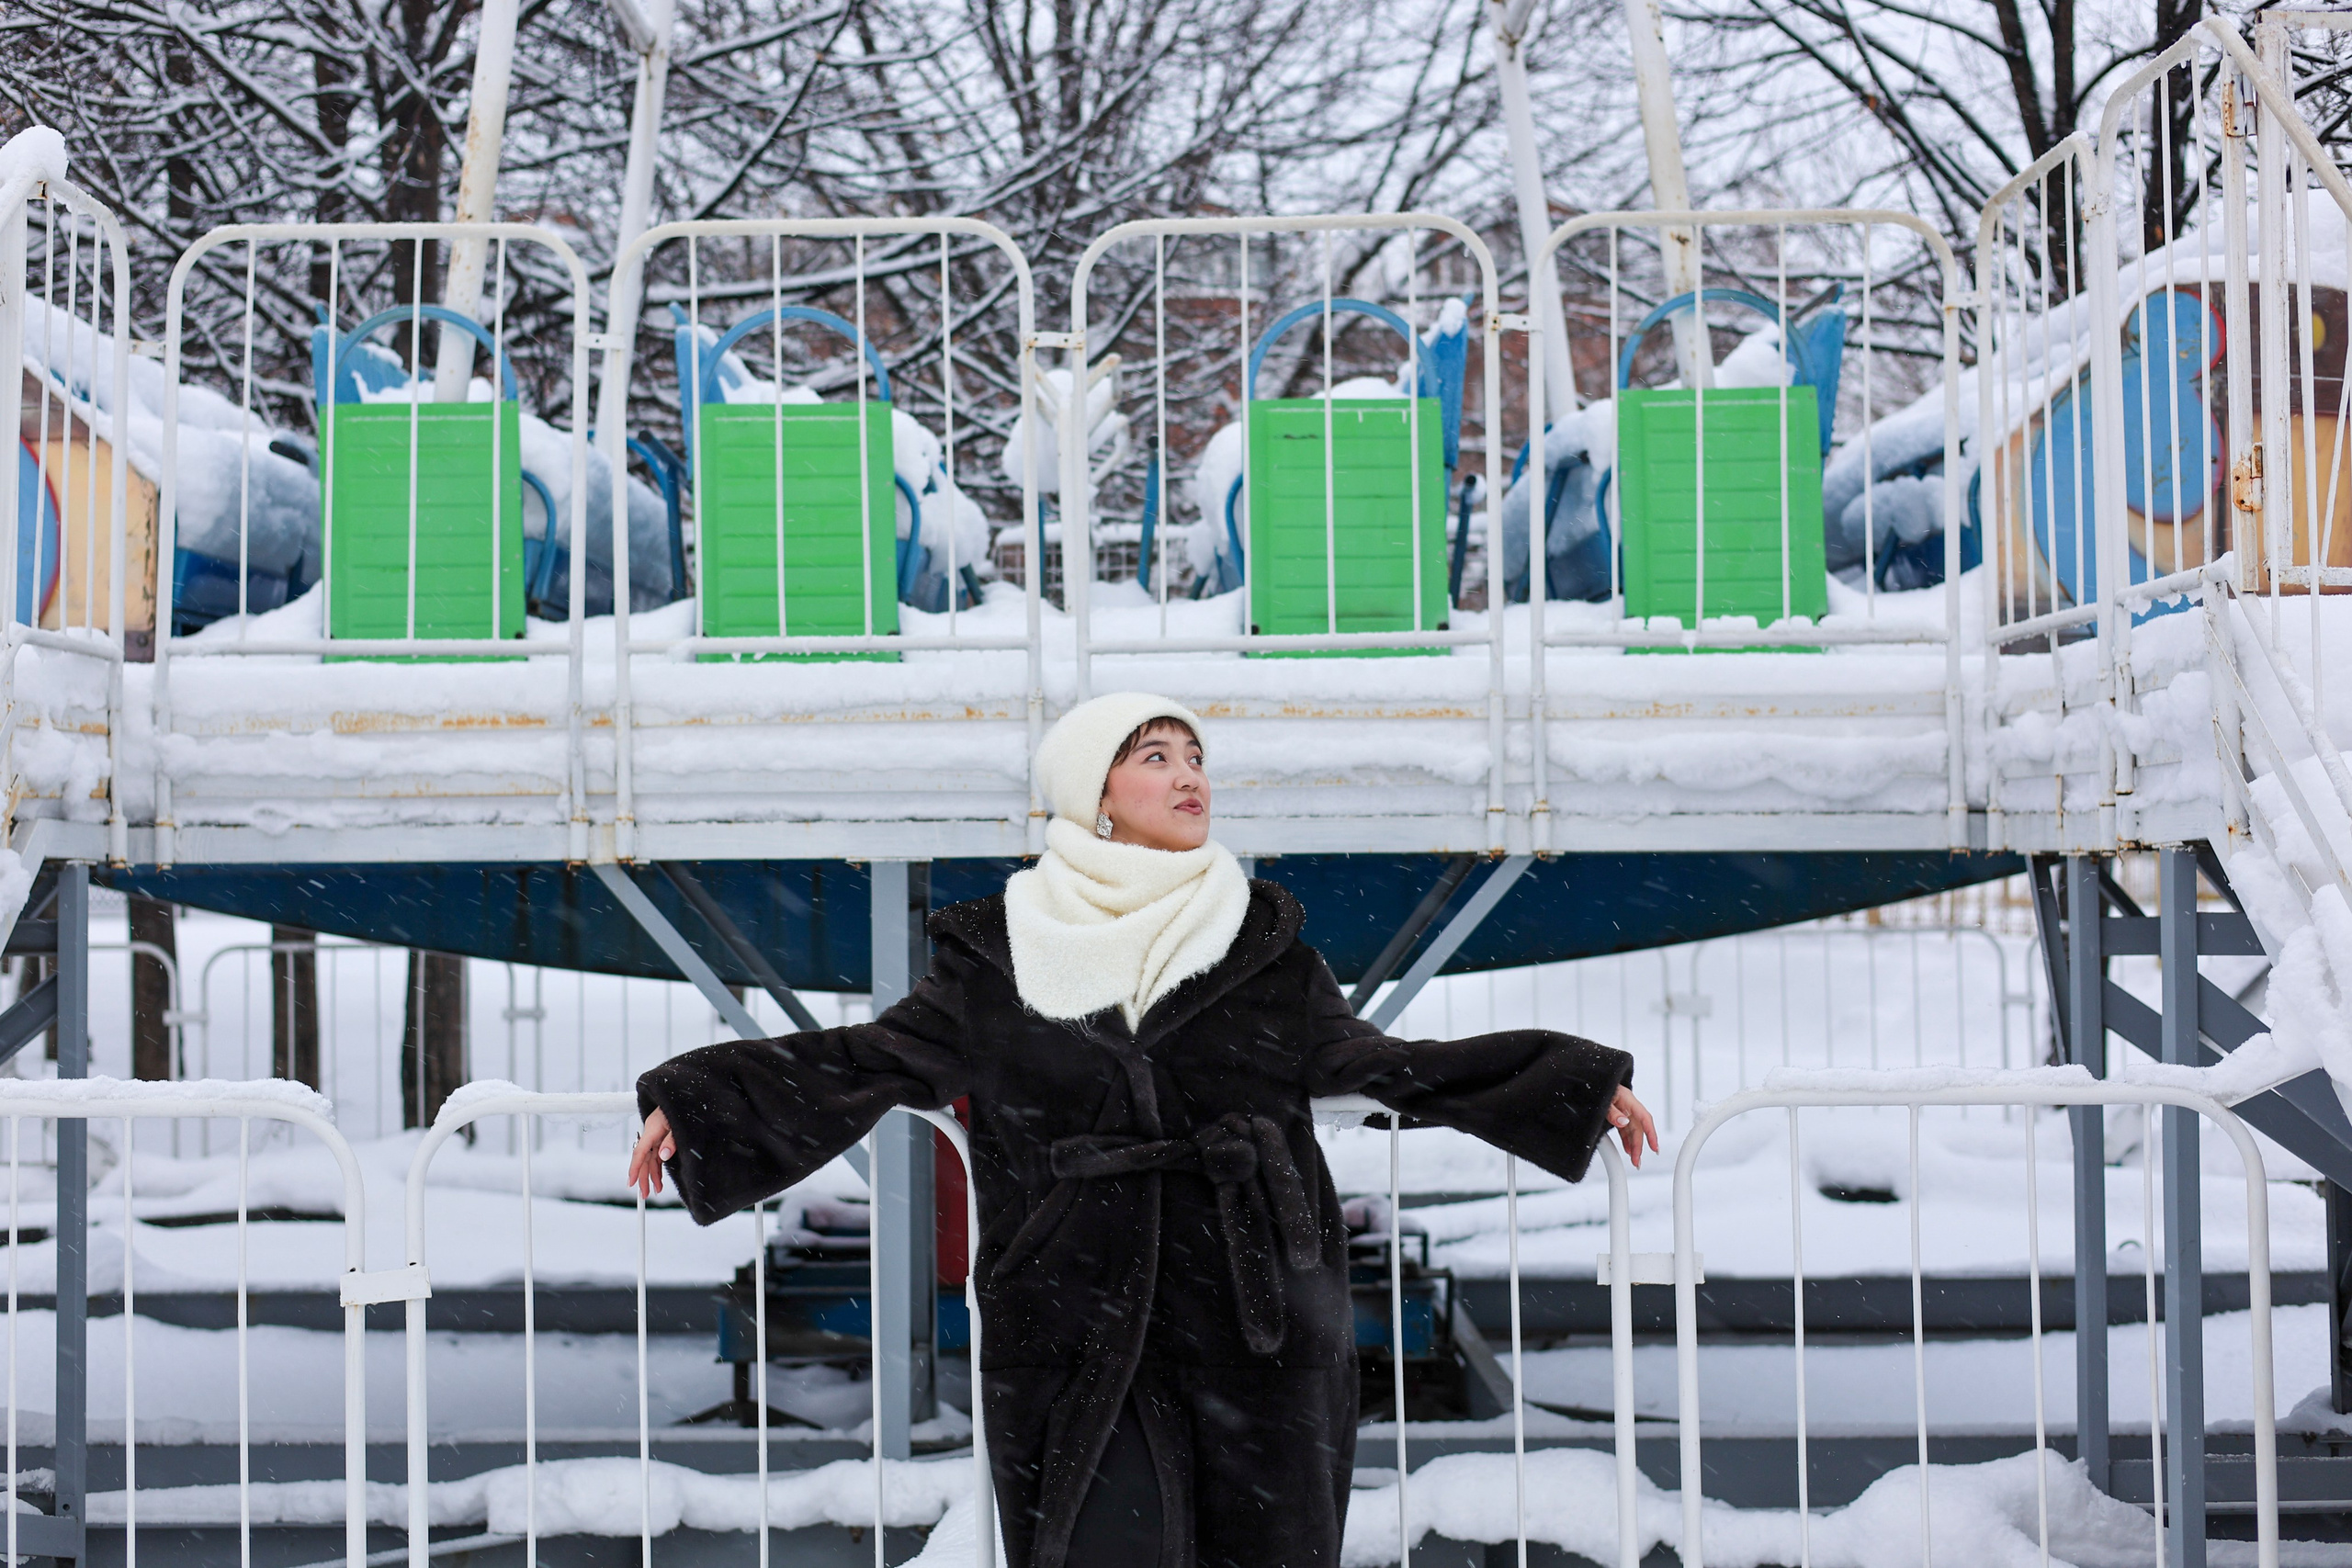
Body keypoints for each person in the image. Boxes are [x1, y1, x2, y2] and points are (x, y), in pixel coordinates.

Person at [628, 691, 1657, 1568]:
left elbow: (1371, 1065)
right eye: (1154, 758)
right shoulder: (997, 958)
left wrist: (1556, 1082)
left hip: (1257, 1309)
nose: (1188, 775)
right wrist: (702, 1099)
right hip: (1071, 1307)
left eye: (1196, 757)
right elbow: (868, 1061)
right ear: (1095, 796)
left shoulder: (1264, 942)